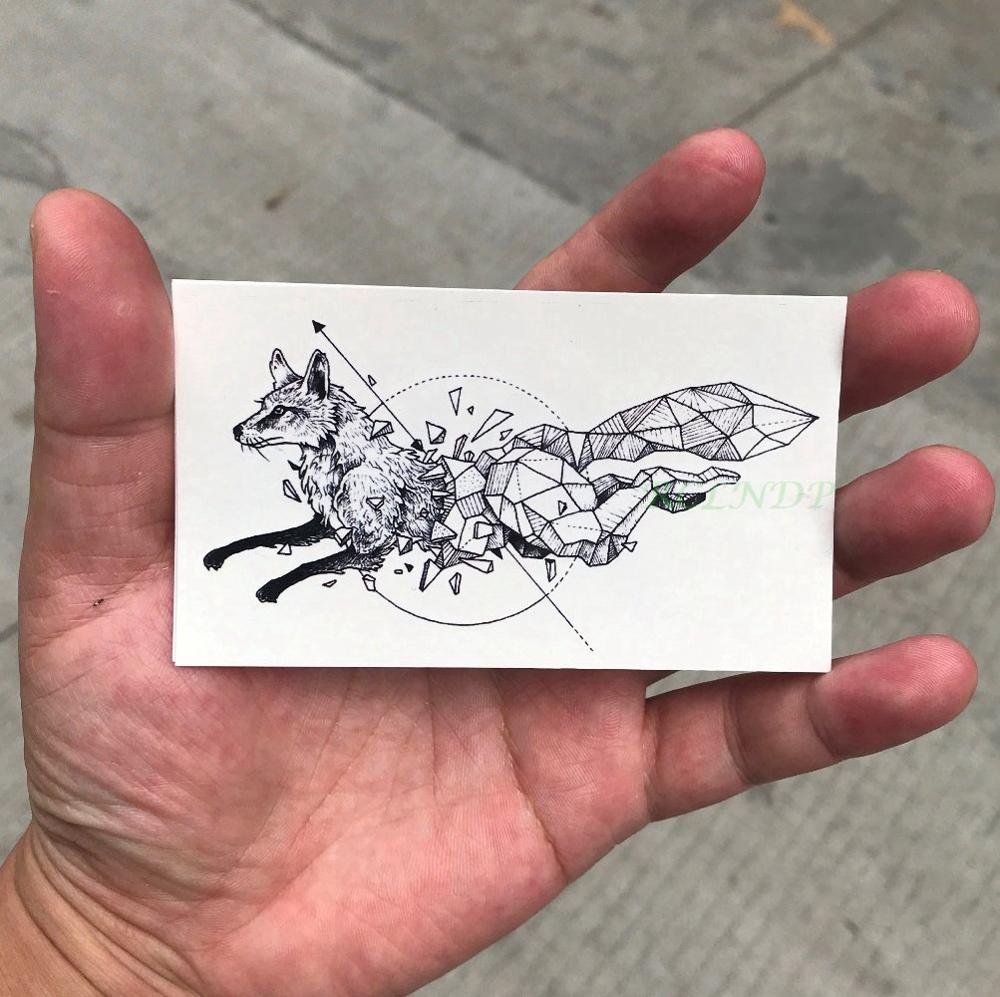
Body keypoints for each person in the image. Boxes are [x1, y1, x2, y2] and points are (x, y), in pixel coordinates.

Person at [0, 129, 993, 996]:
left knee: (596, 521)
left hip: (503, 496)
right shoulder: (346, 464)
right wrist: (105, 942)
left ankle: (655, 475)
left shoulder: (388, 469)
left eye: (287, 415)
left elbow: (377, 536)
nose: (270, 427)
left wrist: (105, 952)